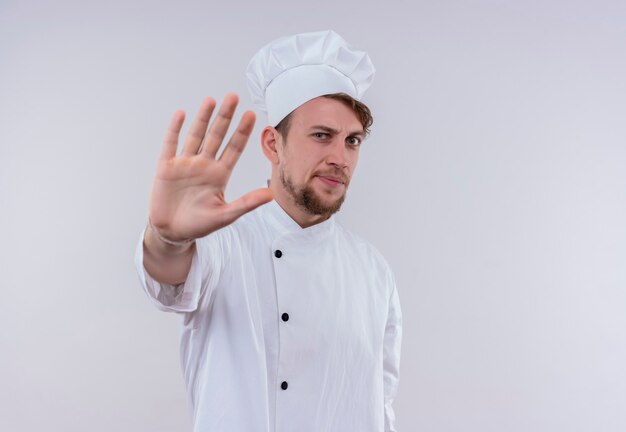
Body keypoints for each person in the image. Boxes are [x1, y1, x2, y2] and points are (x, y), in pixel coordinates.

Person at [135, 30, 402, 432]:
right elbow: (166, 275)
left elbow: (381, 407)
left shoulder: (374, 272)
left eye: (352, 141)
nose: (340, 158)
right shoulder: (220, 243)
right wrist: (168, 238)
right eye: (321, 136)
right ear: (273, 145)